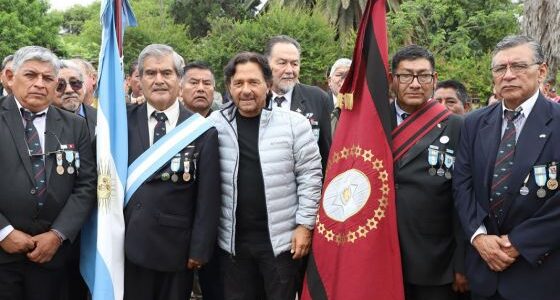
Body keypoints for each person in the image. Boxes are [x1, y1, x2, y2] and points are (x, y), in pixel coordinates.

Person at [453, 35, 560, 300]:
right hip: (484, 272)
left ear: (542, 71)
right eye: (500, 68)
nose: (508, 75)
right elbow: (462, 185)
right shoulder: (473, 123)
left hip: (540, 272)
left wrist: (519, 243)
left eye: (519, 66)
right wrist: (478, 237)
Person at [209, 52, 322, 300]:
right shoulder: (214, 125)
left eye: (254, 82)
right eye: (238, 83)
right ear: (229, 87)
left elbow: (310, 177)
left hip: (281, 243)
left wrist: (305, 225)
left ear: (268, 85)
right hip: (232, 244)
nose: (246, 90)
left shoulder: (294, 124)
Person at [123, 44, 221, 300]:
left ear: (179, 79)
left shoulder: (201, 130)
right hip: (126, 244)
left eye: (166, 73)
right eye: (150, 73)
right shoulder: (120, 122)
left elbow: (207, 198)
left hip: (176, 248)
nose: (159, 80)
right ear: (139, 80)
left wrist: (199, 249)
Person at [0, 46, 96, 300]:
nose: (40, 84)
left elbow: (86, 185)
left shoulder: (75, 125)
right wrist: (3, 232)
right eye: (31, 75)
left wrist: (58, 235)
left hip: (52, 258)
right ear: (10, 77)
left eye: (48, 78)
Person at [389, 45, 467, 300]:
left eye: (423, 76)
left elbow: (464, 198)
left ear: (434, 80)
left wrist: (461, 263)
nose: (414, 83)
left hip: (436, 260)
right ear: (392, 79)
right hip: (382, 253)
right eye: (406, 76)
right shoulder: (374, 119)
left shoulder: (457, 126)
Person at [179, 60, 223, 300]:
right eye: (194, 83)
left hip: (216, 232)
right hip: (177, 231)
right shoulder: (169, 126)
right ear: (180, 87)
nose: (201, 88)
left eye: (207, 83)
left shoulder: (224, 123)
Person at [265, 35, 332, 171]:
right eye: (282, 63)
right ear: (266, 64)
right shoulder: (254, 99)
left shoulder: (318, 98)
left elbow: (326, 153)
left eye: (295, 64)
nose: (290, 70)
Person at [53, 60, 96, 142]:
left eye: (75, 83)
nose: (69, 90)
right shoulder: (40, 120)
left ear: (83, 85)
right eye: (60, 85)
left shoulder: (101, 118)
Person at [326, 58, 352, 136]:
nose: (344, 80)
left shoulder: (362, 107)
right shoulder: (319, 104)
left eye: (349, 76)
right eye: (339, 75)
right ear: (329, 81)